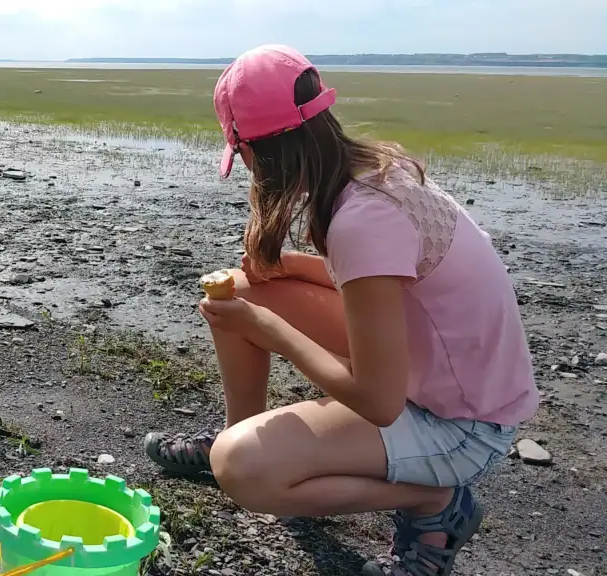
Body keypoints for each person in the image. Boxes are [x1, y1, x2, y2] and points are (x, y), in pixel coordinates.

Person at [142, 45, 539, 576]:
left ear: (258, 150)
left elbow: (379, 403)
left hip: (462, 426)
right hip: (435, 368)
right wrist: (290, 267)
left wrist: (269, 329)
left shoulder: (361, 220)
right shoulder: (374, 171)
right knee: (242, 291)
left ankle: (436, 502)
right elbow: (383, 282)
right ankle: (241, 427)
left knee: (241, 468)